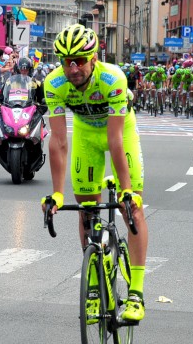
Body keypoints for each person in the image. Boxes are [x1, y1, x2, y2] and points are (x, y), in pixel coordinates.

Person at [41, 23, 148, 322]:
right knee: (86, 211)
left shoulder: (112, 78)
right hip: (87, 135)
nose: (73, 68)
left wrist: (126, 189)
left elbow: (115, 141)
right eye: (66, 62)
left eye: (79, 61)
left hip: (120, 132)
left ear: (93, 58)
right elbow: (59, 141)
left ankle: (136, 293)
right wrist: (58, 194)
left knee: (132, 211)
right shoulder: (54, 84)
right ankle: (93, 287)